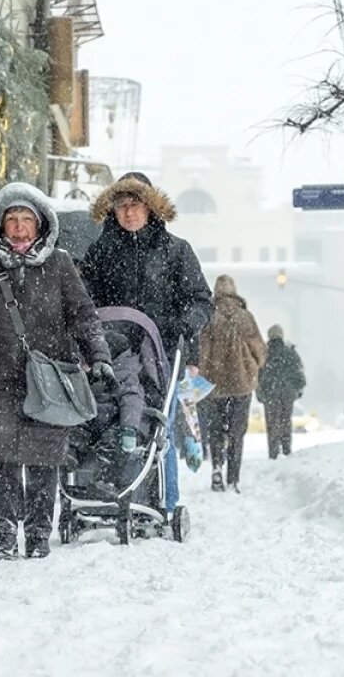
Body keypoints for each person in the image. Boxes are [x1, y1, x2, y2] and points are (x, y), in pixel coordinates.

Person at [0, 182, 113, 561]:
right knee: (1, 459)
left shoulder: (60, 264)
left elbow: (84, 317)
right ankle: (2, 534)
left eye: (26, 219)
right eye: (11, 219)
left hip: (48, 381)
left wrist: (99, 357)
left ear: (40, 224)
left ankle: (37, 533)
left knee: (43, 458)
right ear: (0, 225)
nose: (18, 227)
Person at [81, 172, 213, 507]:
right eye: (121, 206)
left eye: (135, 204)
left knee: (158, 425)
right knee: (111, 418)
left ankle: (165, 501)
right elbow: (84, 300)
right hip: (113, 352)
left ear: (150, 207)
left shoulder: (176, 251)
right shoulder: (100, 253)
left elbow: (199, 299)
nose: (128, 212)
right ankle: (110, 490)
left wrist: (185, 325)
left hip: (162, 353)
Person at [198, 275, 267, 492]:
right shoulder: (245, 317)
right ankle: (233, 477)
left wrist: (205, 372)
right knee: (237, 431)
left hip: (214, 385)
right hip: (242, 385)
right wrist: (252, 366)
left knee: (216, 429)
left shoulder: (209, 317)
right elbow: (260, 350)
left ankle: (217, 467)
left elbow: (201, 351)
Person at [66, 327, 146, 499]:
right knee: (74, 433)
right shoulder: (85, 373)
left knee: (110, 448)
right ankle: (69, 454)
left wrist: (129, 428)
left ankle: (105, 481)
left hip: (113, 423)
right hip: (88, 420)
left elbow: (131, 402)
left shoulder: (125, 375)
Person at [255, 325, 306, 460]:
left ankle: (273, 452)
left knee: (272, 423)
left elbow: (257, 374)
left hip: (270, 393)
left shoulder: (263, 353)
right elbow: (299, 372)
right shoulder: (290, 352)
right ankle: (286, 448)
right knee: (285, 421)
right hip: (287, 393)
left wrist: (260, 393)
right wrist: (297, 389)